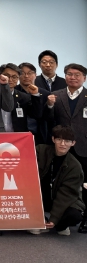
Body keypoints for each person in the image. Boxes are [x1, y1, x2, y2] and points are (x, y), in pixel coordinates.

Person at [45, 63, 87, 232]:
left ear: (84, 78)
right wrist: (49, 105)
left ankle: (84, 219)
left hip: (83, 146)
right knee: (60, 181)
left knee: (85, 183)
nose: (73, 77)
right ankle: (59, 215)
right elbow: (48, 119)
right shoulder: (56, 95)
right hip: (61, 146)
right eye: (69, 74)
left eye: (77, 75)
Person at [29, 126, 85, 236]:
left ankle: (59, 225)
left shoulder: (75, 166)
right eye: (59, 139)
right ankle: (39, 219)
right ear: (53, 139)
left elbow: (66, 194)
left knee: (75, 215)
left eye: (67, 141)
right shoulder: (40, 151)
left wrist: (54, 218)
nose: (63, 144)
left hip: (60, 198)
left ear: (73, 143)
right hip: (38, 196)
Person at [0, 63, 43, 136]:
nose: (10, 79)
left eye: (14, 77)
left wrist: (35, 95)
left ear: (18, 78)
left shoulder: (23, 97)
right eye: (7, 76)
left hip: (17, 137)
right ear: (0, 76)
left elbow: (36, 114)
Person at [19, 62, 50, 143]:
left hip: (40, 136)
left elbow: (49, 116)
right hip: (18, 135)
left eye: (30, 73)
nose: (26, 76)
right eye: (22, 73)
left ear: (35, 75)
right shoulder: (13, 92)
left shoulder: (45, 94)